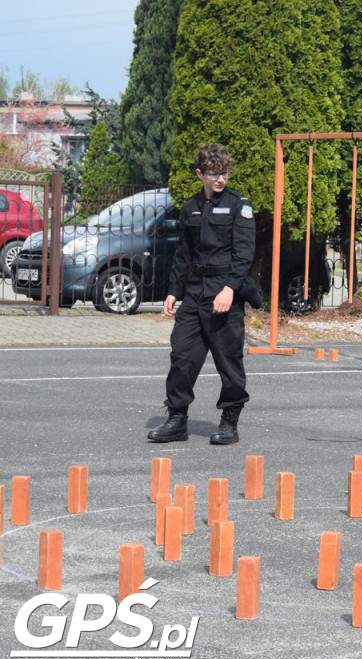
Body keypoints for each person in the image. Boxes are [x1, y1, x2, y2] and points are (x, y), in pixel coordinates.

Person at [147, 143, 256, 445]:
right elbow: (183, 253)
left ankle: (229, 421)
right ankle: (177, 419)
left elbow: (245, 254)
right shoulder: (190, 206)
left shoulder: (238, 205)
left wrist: (230, 289)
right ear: (200, 174)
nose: (221, 179)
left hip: (224, 290)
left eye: (224, 173)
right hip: (195, 292)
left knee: (228, 359)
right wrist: (172, 292)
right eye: (214, 173)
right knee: (182, 355)